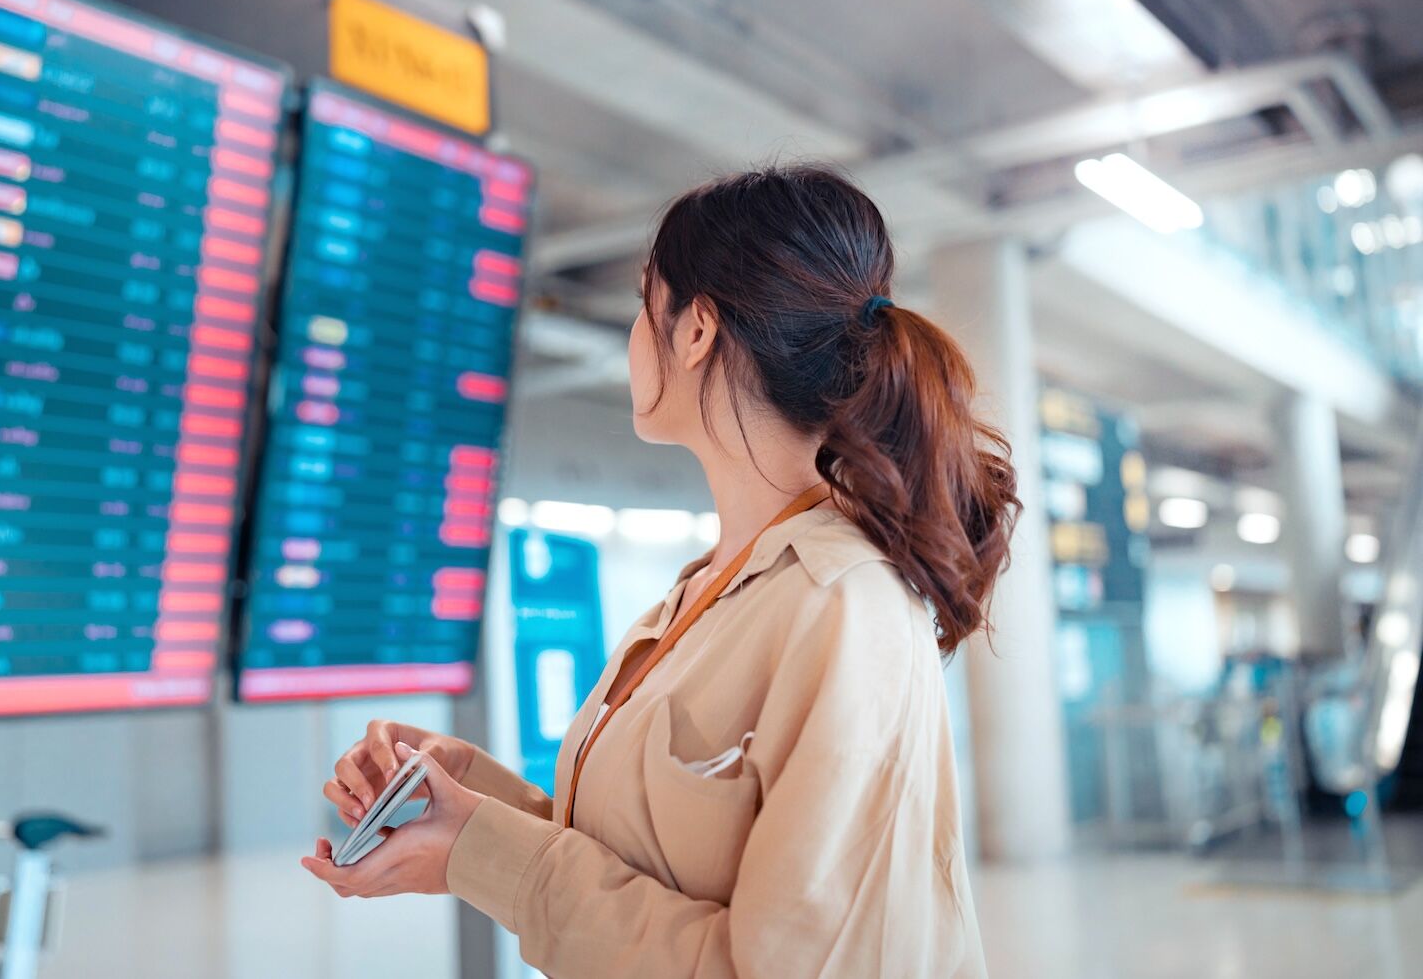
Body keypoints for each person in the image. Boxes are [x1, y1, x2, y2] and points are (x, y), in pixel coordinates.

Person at [302, 164, 1018, 978]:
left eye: (647, 303)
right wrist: (474, 796)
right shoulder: (703, 594)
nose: (635, 336)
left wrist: (479, 848)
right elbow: (652, 867)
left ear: (696, 330)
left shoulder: (844, 606)